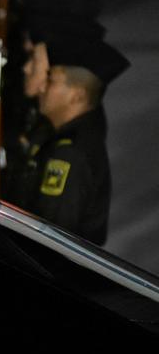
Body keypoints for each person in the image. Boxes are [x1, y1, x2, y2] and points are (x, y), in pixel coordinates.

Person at [8, 35, 128, 245]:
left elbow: (49, 236)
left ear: (77, 96)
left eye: (51, 81)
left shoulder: (69, 155)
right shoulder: (62, 133)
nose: (43, 87)